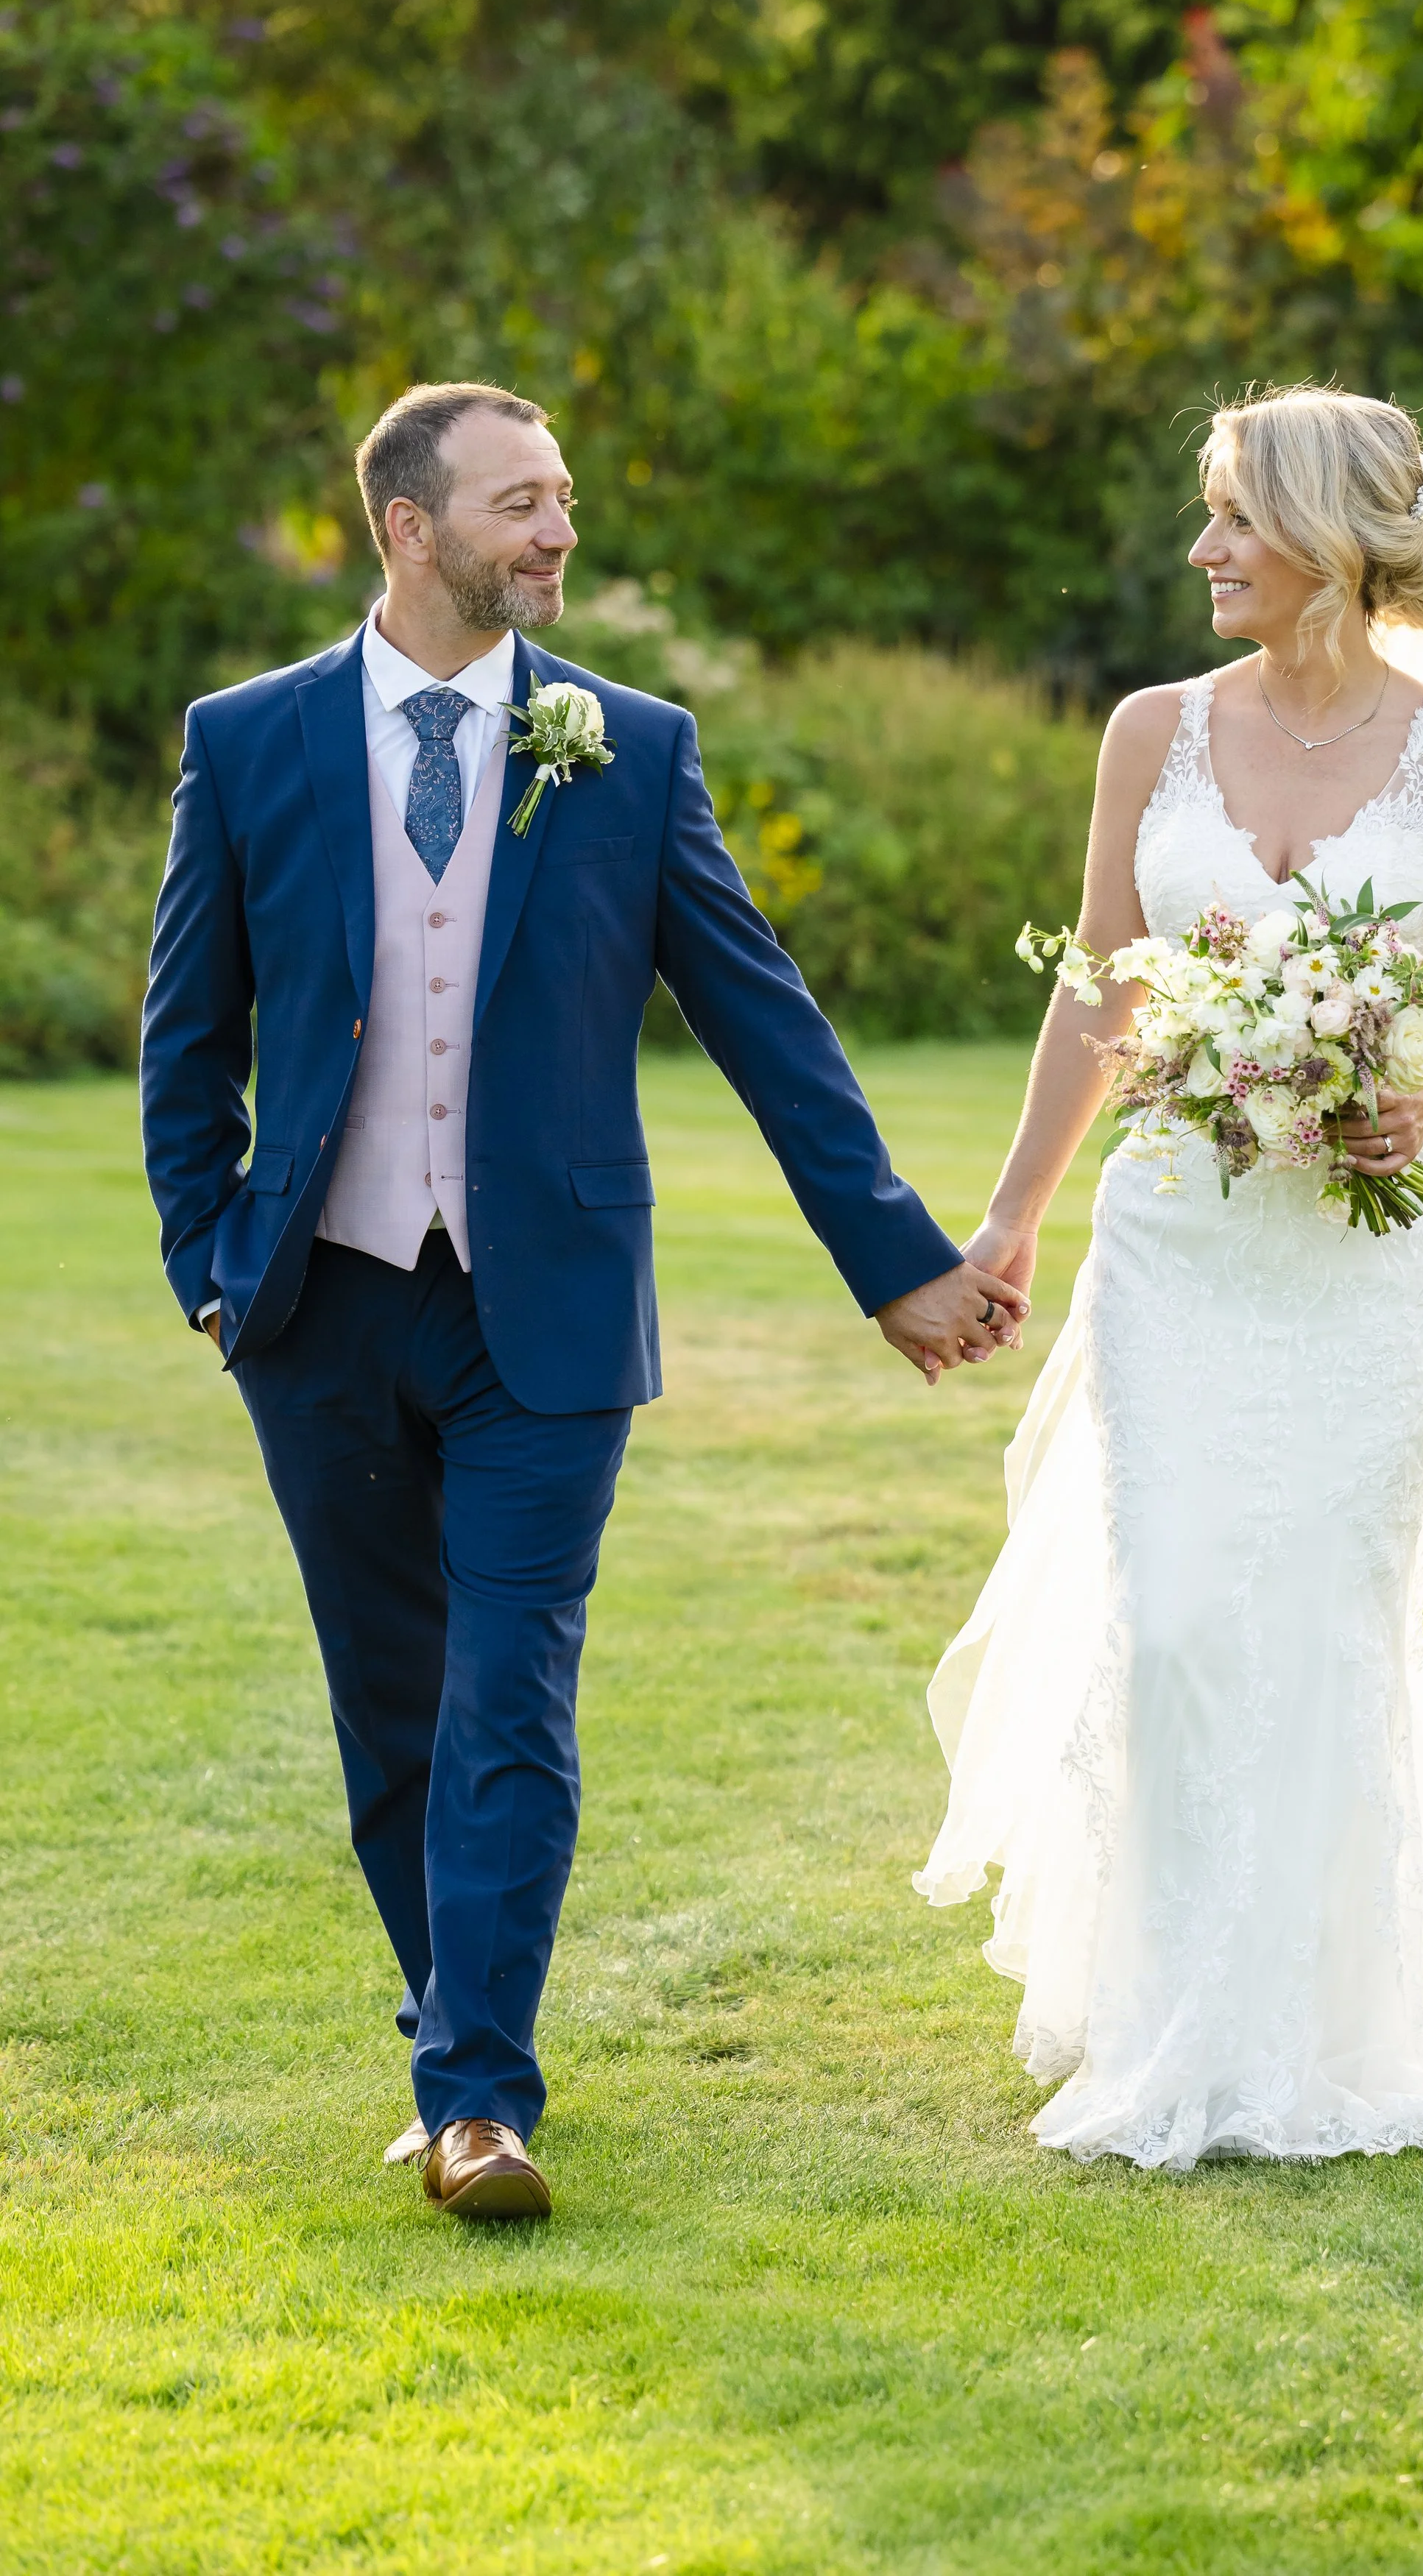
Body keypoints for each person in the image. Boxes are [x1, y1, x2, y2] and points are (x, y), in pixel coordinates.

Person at [141, 381, 1028, 2220]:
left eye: (562, 501)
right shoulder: (249, 743)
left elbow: (759, 1014)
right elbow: (187, 1038)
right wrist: (212, 1271)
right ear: (407, 525)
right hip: (317, 1301)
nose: (555, 534)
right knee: (389, 1705)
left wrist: (901, 1265)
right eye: (517, 505)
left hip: (542, 1309)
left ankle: (478, 2101)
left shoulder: (628, 744)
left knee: (512, 1696)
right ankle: (450, 2038)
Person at [916, 384, 1423, 2169]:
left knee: (1320, 1619)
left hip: (1366, 1262)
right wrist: (1010, 1219)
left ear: (1328, 535)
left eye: (1232, 516)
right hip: (1176, 1240)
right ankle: (1172, 2008)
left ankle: (1305, 2032)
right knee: (1170, 1619)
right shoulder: (1148, 731)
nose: (1202, 551)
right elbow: (1101, 985)